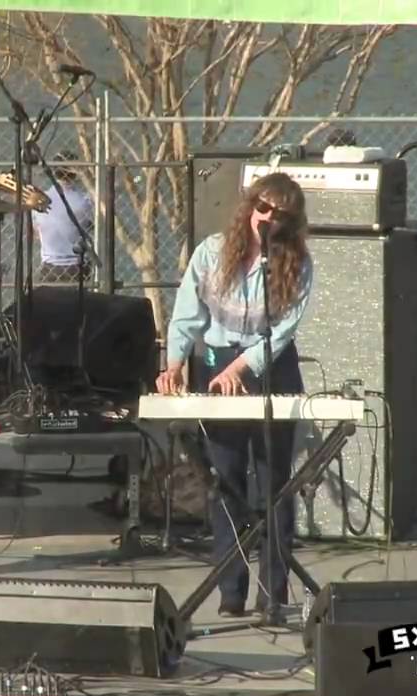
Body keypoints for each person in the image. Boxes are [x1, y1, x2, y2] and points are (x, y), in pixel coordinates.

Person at [155, 172, 314, 619]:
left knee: (273, 483)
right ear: (249, 208)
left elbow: (283, 332)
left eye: (279, 214)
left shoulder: (298, 263)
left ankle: (273, 592)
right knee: (226, 482)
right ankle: (230, 591)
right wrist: (173, 365)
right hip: (218, 357)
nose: (267, 219)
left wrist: (242, 368)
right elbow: (187, 315)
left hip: (270, 367)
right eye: (262, 208)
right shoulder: (211, 252)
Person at [33, 152, 95, 284]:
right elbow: (90, 226)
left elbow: (36, 232)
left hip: (50, 266)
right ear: (75, 174)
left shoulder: (40, 199)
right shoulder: (83, 201)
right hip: (76, 266)